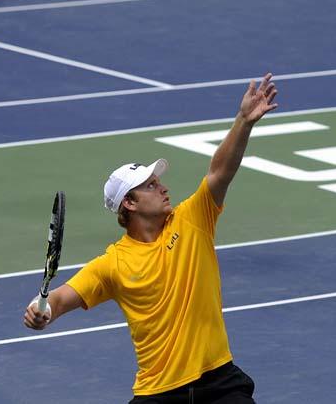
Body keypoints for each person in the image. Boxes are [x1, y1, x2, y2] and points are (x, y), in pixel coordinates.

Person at [23, 73, 279, 403]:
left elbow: (219, 171)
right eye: (151, 186)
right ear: (129, 203)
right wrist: (38, 310)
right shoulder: (112, 264)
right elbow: (56, 300)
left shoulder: (192, 218)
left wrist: (243, 121)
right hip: (158, 392)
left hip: (218, 382)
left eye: (158, 182)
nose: (163, 188)